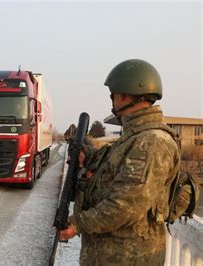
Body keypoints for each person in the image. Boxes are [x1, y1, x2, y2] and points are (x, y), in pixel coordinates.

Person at [59, 59, 180, 265]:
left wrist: (77, 224)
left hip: (127, 257)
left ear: (124, 94)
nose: (112, 101)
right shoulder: (133, 138)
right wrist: (87, 157)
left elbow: (126, 205)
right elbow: (110, 172)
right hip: (111, 254)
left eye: (113, 95)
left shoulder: (151, 142)